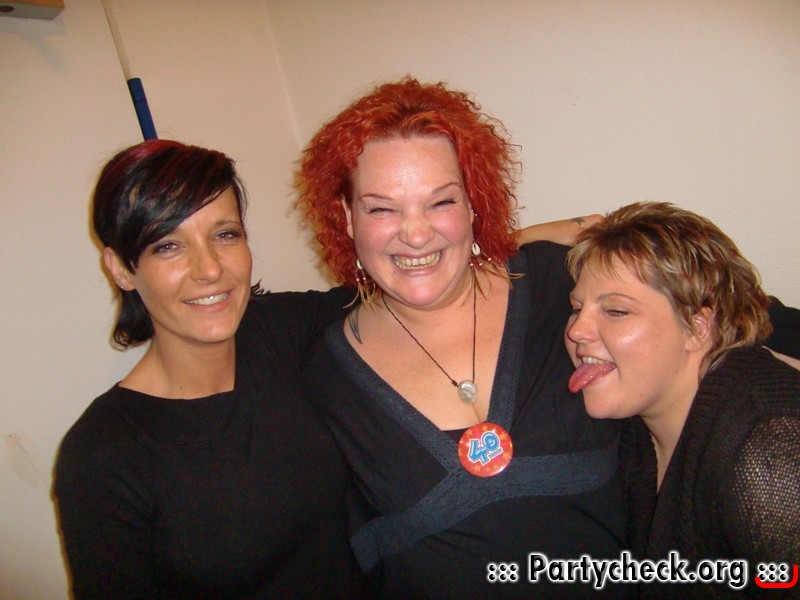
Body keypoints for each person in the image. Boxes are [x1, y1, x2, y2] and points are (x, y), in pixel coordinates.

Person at [295, 77, 631, 598]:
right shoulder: (327, 375)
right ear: (347, 218)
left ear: (473, 203)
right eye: (381, 208)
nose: (415, 233)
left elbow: (701, 336)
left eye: (440, 203)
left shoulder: (565, 287)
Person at [53, 140, 374, 599]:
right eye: (168, 245)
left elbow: (393, 288)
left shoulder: (279, 333)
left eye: (225, 235)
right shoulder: (104, 455)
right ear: (121, 268)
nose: (208, 269)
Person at [564, 201, 800, 598]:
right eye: (575, 309)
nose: (576, 330)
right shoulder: (638, 427)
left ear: (697, 326)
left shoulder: (767, 454)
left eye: (616, 311)